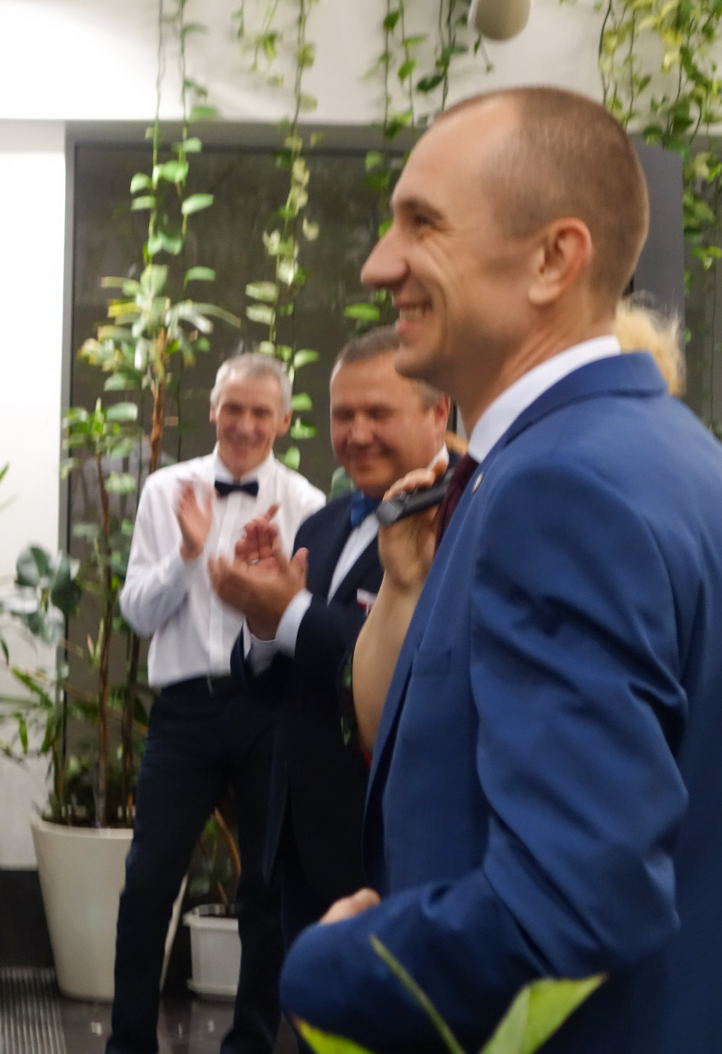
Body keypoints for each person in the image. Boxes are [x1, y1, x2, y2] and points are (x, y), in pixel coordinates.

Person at [274, 87, 722, 1053]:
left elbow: (572, 900)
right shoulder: (696, 469)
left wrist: (334, 966)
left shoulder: (558, 489)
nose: (379, 263)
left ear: (555, 258)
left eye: (423, 224)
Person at [208, 326, 450, 949]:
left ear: (438, 413)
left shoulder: (455, 521)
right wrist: (264, 623)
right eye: (344, 415)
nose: (357, 434)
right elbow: (275, 685)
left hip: (387, 853)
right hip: (296, 844)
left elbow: (410, 658)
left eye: (378, 413)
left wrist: (290, 611)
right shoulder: (322, 521)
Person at [111, 352, 325, 1054]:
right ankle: (128, 1043)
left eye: (261, 412)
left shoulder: (307, 505)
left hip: (272, 710)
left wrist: (269, 591)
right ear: (211, 410)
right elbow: (138, 614)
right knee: (148, 883)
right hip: (184, 711)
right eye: (233, 408)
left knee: (266, 888)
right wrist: (187, 555)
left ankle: (252, 1043)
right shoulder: (165, 491)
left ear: (284, 421)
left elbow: (308, 626)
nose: (245, 424)